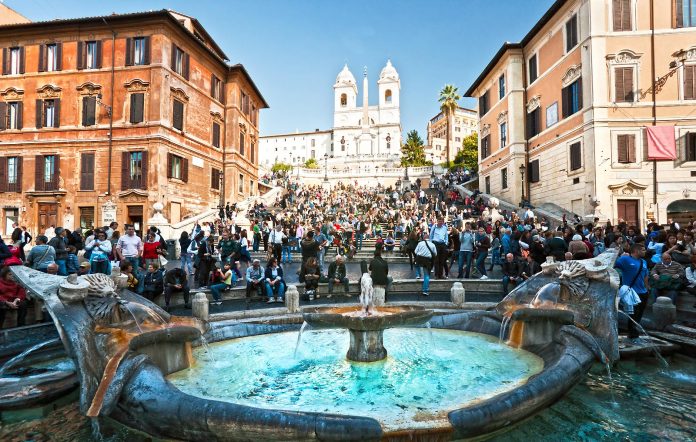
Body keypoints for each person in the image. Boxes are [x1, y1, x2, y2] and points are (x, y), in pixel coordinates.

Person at [614, 243, 649, 340]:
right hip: (631, 292)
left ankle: (634, 333)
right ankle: (633, 335)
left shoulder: (644, 262)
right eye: (643, 250)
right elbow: (612, 265)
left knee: (640, 314)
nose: (645, 251)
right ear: (636, 251)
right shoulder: (625, 259)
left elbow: (646, 275)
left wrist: (647, 289)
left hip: (643, 292)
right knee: (633, 314)